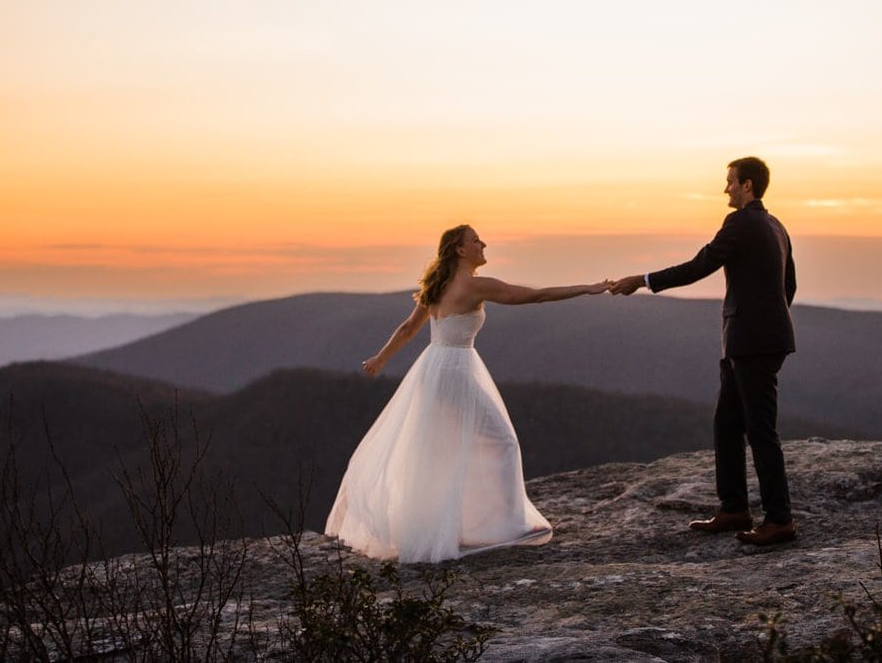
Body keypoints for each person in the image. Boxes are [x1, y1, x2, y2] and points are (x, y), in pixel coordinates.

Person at [326, 225, 612, 564]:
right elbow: (533, 295)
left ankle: (454, 524)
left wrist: (380, 358)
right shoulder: (475, 286)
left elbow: (408, 329)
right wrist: (587, 289)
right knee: (501, 440)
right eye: (475, 240)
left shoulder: (438, 285)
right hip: (456, 369)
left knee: (447, 449)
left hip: (433, 367)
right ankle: (508, 526)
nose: (483, 243)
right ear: (460, 250)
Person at [611, 156, 798, 546]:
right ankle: (734, 508)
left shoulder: (742, 223)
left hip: (751, 343)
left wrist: (643, 280)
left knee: (760, 430)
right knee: (727, 424)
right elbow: (789, 285)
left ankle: (779, 520)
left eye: (730, 181)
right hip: (756, 341)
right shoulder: (775, 225)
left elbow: (701, 265)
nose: (725, 188)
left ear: (747, 185)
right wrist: (771, 322)